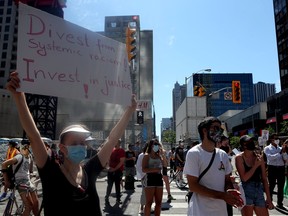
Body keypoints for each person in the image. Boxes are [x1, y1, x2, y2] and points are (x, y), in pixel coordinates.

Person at [6, 71, 137, 216]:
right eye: (75, 142)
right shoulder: (50, 170)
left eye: (83, 142)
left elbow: (112, 139)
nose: (81, 146)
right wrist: (20, 98)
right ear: (62, 148)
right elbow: (34, 136)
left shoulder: (90, 170)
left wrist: (129, 110)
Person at [183, 116, 243, 216]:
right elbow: (193, 186)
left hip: (221, 210)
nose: (219, 131)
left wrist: (229, 191)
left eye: (220, 129)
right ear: (205, 130)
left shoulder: (223, 155)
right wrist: (223, 195)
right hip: (200, 211)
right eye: (216, 128)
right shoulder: (194, 153)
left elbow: (227, 180)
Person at [235, 135, 273, 216]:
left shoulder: (259, 157)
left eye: (252, 141)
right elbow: (244, 178)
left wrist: (269, 199)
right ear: (244, 145)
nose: (252, 143)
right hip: (246, 191)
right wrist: (255, 165)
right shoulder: (239, 158)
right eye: (249, 142)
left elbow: (264, 178)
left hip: (258, 189)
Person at [2, 141, 39, 216]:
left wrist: (32, 174)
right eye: (27, 147)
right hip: (20, 182)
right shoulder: (19, 156)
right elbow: (4, 164)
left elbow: (30, 170)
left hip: (28, 181)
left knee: (36, 203)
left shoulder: (29, 157)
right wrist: (6, 181)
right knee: (28, 207)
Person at [263, 133, 288, 210]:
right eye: (275, 138)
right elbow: (270, 158)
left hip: (281, 168)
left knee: (280, 186)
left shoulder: (281, 148)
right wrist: (280, 153)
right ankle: (269, 201)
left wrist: (284, 152)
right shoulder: (267, 148)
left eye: (278, 138)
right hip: (272, 168)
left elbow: (286, 159)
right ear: (271, 140)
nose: (277, 140)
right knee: (272, 186)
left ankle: (280, 203)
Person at [142, 139, 165, 216]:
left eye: (158, 146)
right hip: (150, 179)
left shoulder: (159, 156)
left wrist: (163, 155)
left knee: (159, 202)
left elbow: (165, 165)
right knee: (149, 202)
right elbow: (144, 169)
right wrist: (155, 169)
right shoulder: (146, 156)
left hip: (158, 179)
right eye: (156, 146)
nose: (157, 147)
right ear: (152, 146)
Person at [105, 139, 126, 205]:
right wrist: (108, 167)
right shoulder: (112, 150)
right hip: (111, 170)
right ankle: (107, 198)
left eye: (116, 142)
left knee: (117, 185)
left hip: (118, 171)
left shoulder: (121, 151)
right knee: (109, 185)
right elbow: (108, 160)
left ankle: (118, 199)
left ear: (119, 143)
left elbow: (121, 162)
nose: (114, 143)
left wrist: (114, 169)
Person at [136, 143, 148, 214]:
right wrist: (143, 175)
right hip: (145, 176)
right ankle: (142, 207)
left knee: (150, 192)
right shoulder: (141, 155)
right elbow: (138, 166)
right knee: (144, 192)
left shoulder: (151, 155)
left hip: (151, 176)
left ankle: (148, 206)